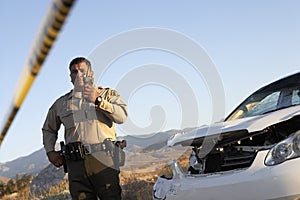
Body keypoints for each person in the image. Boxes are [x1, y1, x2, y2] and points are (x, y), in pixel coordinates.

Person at [42, 57, 128, 199]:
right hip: (75, 164)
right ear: (70, 77)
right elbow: (49, 129)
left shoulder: (107, 94)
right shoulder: (61, 104)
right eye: (74, 72)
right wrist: (50, 151)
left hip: (103, 159)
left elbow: (122, 116)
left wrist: (98, 101)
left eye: (83, 70)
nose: (79, 75)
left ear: (91, 73)